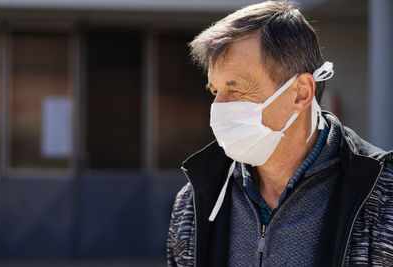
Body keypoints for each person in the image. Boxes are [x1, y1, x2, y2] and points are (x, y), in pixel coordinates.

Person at [166, 1, 393, 266]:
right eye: (215, 91)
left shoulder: (382, 198)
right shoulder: (194, 202)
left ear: (301, 93)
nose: (218, 108)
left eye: (237, 89)